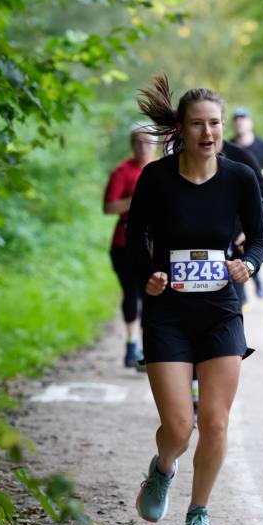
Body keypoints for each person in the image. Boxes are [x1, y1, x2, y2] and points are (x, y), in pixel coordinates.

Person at [125, 75, 263, 525]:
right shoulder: (156, 178)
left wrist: (247, 264)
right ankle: (162, 468)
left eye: (215, 124)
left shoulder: (240, 178)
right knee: (179, 427)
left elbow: (260, 240)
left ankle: (198, 515)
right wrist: (149, 274)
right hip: (168, 313)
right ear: (181, 131)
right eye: (198, 125)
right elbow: (134, 239)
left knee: (216, 421)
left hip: (221, 311)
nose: (208, 133)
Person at [103, 123, 156, 367]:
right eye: (139, 141)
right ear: (131, 144)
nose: (143, 146)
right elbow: (108, 207)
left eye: (148, 141)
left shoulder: (162, 169)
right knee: (131, 293)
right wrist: (137, 200)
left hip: (155, 244)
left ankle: (147, 349)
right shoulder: (122, 172)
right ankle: (131, 343)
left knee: (151, 296)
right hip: (124, 242)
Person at [230, 107, 263, 298]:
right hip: (235, 206)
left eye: (243, 118)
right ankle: (242, 295)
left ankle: (256, 279)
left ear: (250, 122)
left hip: (259, 202)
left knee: (254, 242)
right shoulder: (227, 146)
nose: (240, 122)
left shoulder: (262, 146)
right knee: (237, 248)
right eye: (237, 119)